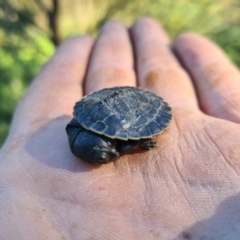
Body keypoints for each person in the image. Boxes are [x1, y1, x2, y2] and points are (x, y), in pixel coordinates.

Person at [1, 17, 240, 239]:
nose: (111, 157)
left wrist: (136, 142)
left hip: (131, 106)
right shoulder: (79, 126)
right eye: (106, 154)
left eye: (105, 153)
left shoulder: (80, 122)